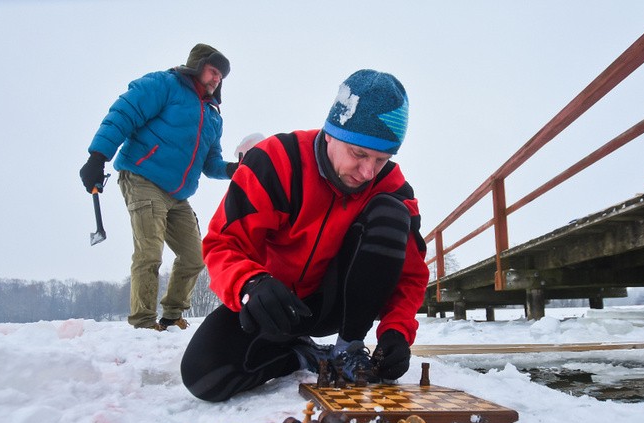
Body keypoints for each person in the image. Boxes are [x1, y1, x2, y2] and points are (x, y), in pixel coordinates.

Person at [180, 69, 430, 402]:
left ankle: (349, 348)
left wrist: (397, 330)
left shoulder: (393, 188)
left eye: (381, 159)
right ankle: (299, 354)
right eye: (359, 154)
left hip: (337, 305)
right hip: (274, 304)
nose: (368, 172)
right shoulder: (274, 161)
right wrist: (250, 284)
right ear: (331, 133)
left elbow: (411, 275)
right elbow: (224, 243)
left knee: (390, 212)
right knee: (203, 375)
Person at [79, 44, 243, 331]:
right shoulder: (164, 84)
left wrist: (235, 169)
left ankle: (171, 315)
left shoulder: (213, 116)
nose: (217, 79)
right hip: (143, 178)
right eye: (213, 71)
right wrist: (98, 157)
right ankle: (143, 322)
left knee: (195, 256)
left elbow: (210, 162)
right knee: (150, 252)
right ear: (197, 65)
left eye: (221, 76)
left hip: (177, 195)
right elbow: (124, 113)